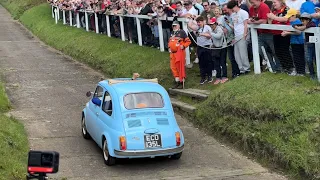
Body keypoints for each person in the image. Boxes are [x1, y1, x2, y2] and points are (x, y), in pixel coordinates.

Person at [188, 16, 214, 84]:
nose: (198, 23)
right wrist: (191, 18)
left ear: (202, 21)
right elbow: (189, 25)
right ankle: (203, 77)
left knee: (208, 62)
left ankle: (209, 76)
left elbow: (209, 36)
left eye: (199, 22)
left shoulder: (207, 27)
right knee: (201, 63)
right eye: (197, 22)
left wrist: (201, 34)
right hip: (200, 47)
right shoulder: (197, 28)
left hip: (207, 46)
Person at [281, 8, 306, 76]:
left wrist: (288, 33)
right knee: (296, 57)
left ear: (293, 16)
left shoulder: (297, 22)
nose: (288, 18)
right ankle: (299, 71)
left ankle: (301, 72)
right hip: (294, 42)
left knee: (298, 57)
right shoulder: (293, 22)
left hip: (298, 42)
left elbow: (298, 32)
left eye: (289, 17)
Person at [168, 21, 192, 89]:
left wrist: (183, 46)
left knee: (180, 66)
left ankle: (182, 82)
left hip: (179, 53)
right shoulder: (172, 33)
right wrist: (169, 47)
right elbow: (169, 41)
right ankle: (177, 81)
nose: (174, 27)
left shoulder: (182, 32)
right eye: (173, 26)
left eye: (175, 25)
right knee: (173, 67)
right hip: (172, 53)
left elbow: (188, 41)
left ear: (178, 26)